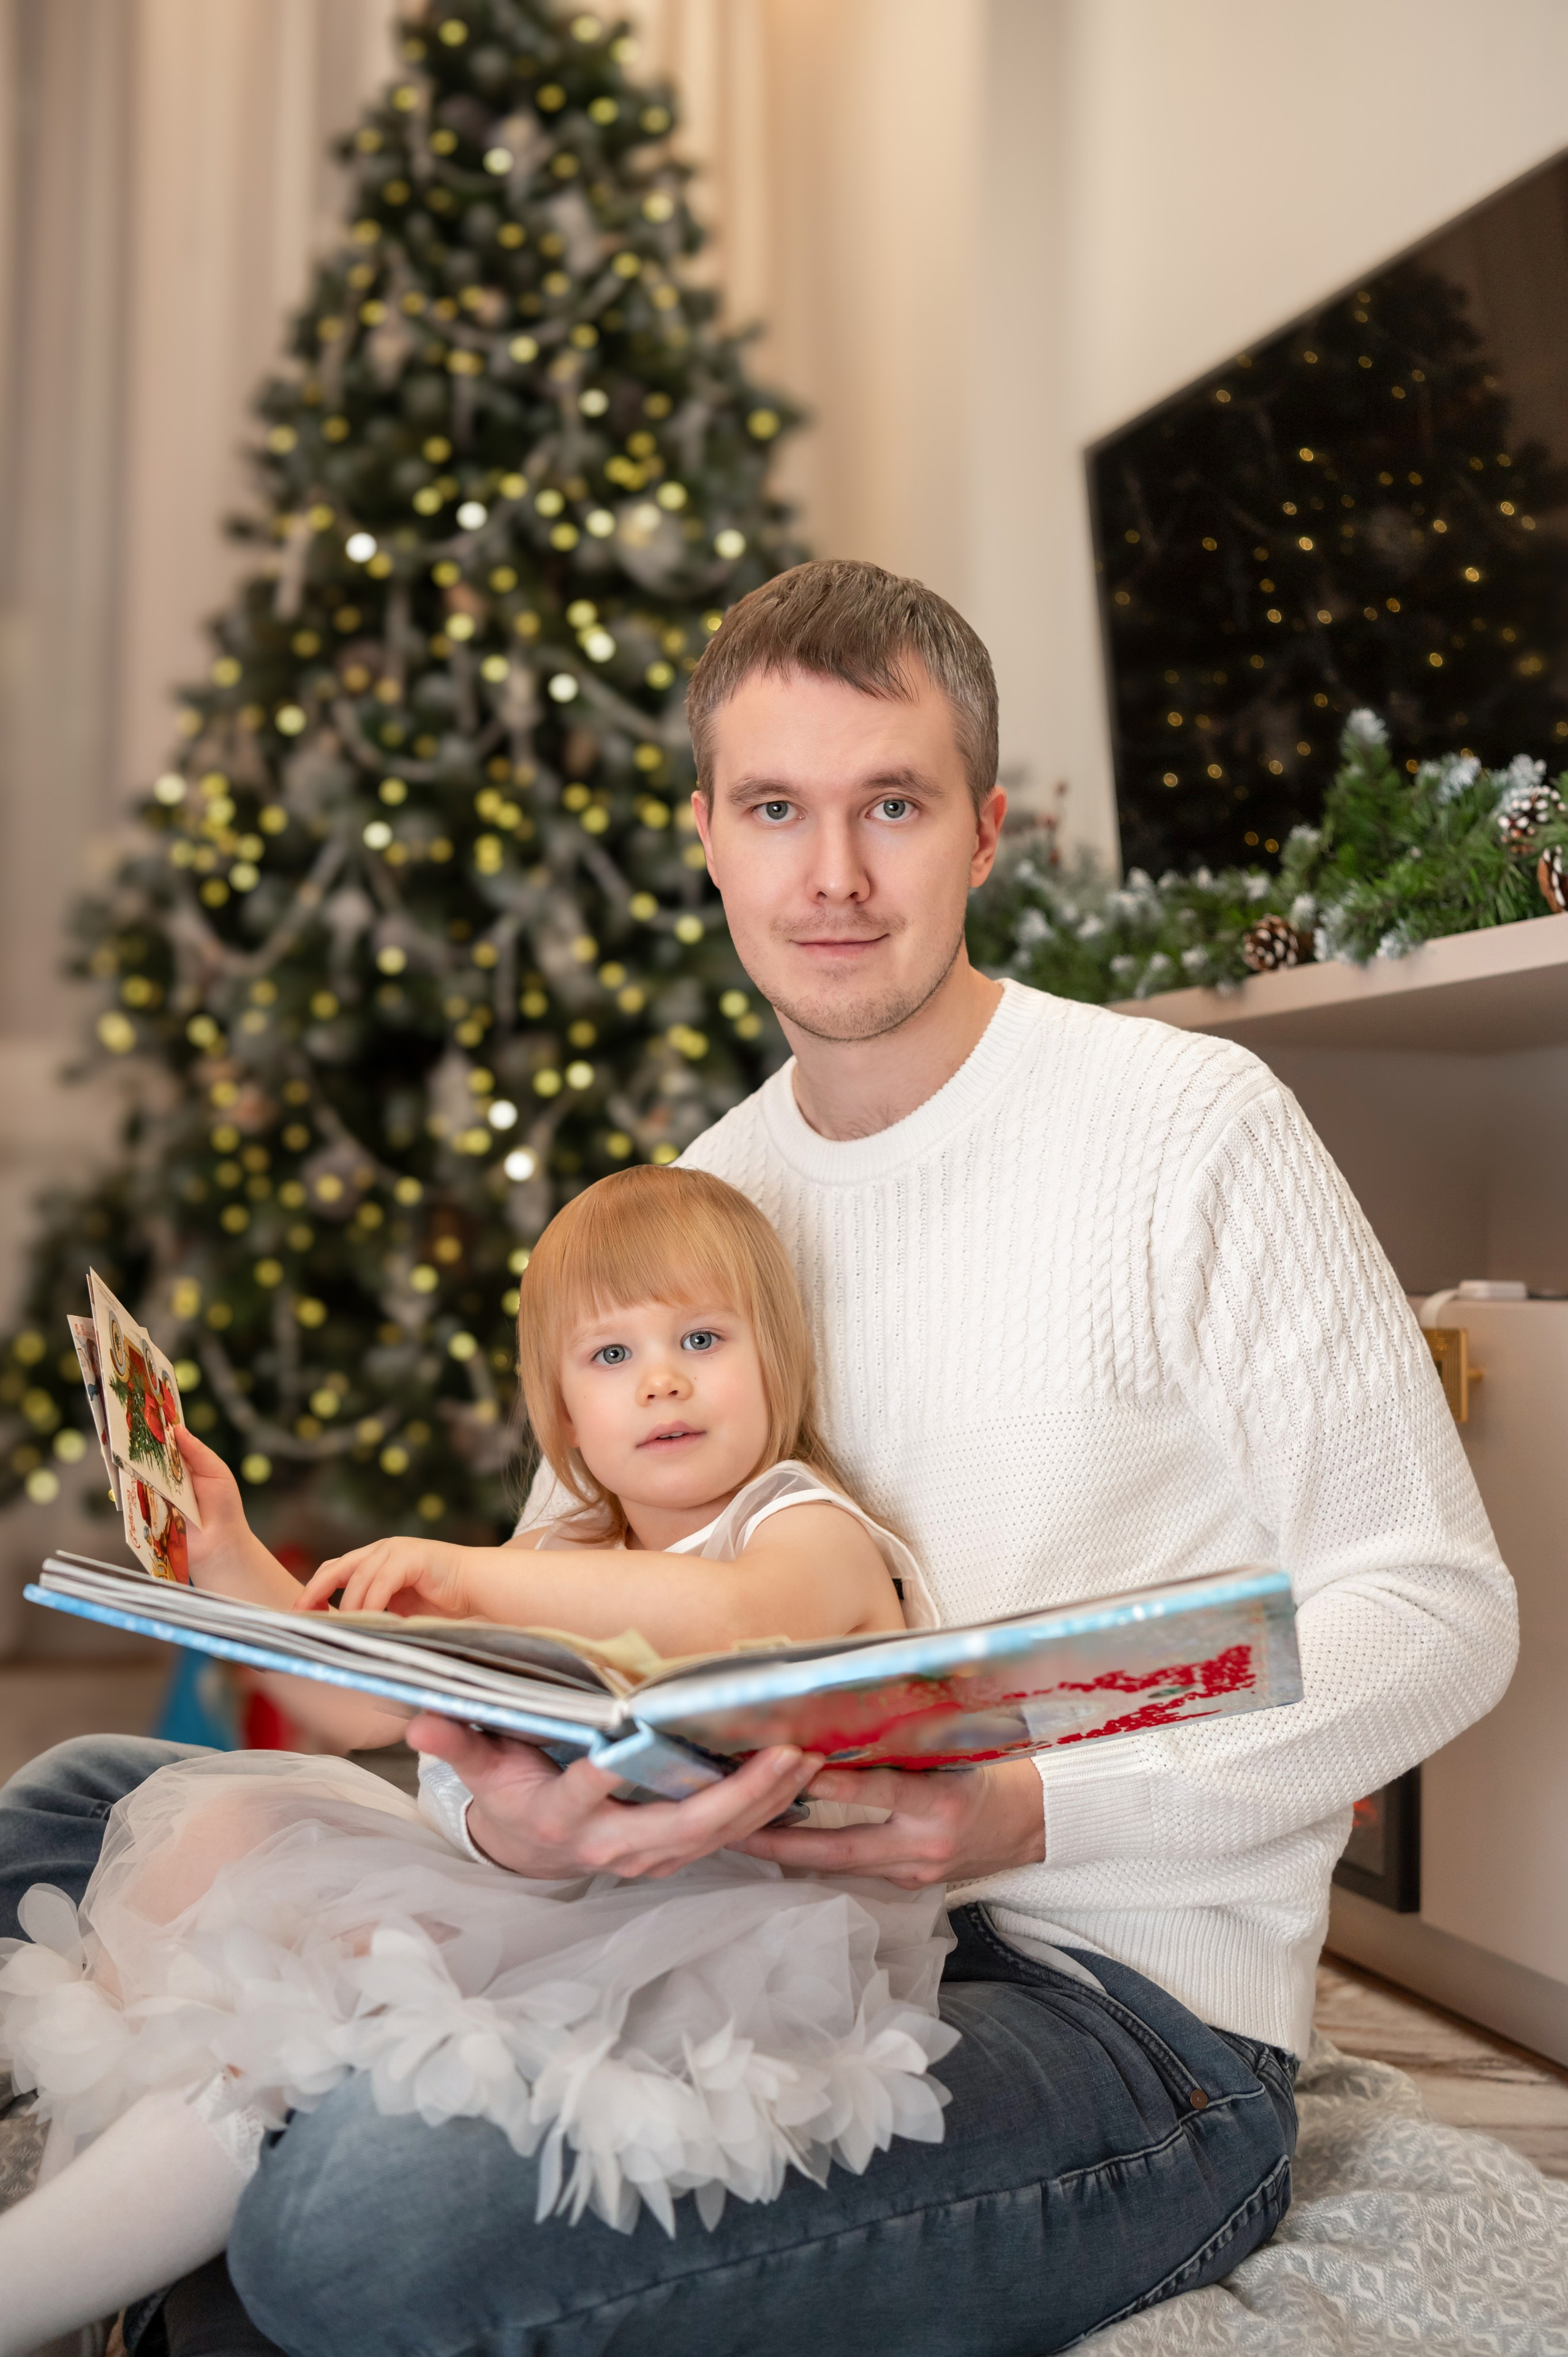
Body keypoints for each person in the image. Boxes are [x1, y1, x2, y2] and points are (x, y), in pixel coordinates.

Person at [0, 559, 1516, 2357]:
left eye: (893, 804)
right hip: (718, 1917)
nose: (836, 877)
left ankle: (232, 2267)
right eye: (779, 811)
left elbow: (1434, 1610)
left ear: (985, 831)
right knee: (78, 1803)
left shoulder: (1187, 1131)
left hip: (1115, 2014)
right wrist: (517, 1816)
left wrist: (1026, 1810)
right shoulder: (709, 1202)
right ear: (706, 834)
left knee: (365, 2220)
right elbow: (524, 1667)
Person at [0, 1165, 958, 2357]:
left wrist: (470, 1572)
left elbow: (735, 1613)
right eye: (610, 1356)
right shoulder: (564, 1546)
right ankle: (68, 2277)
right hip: (551, 1885)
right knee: (220, 1853)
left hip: (723, 1935)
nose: (660, 1378)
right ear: (562, 1415)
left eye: (701, 1338)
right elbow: (347, 1704)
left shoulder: (799, 1523)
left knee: (330, 1985)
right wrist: (231, 1556)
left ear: (777, 1363)